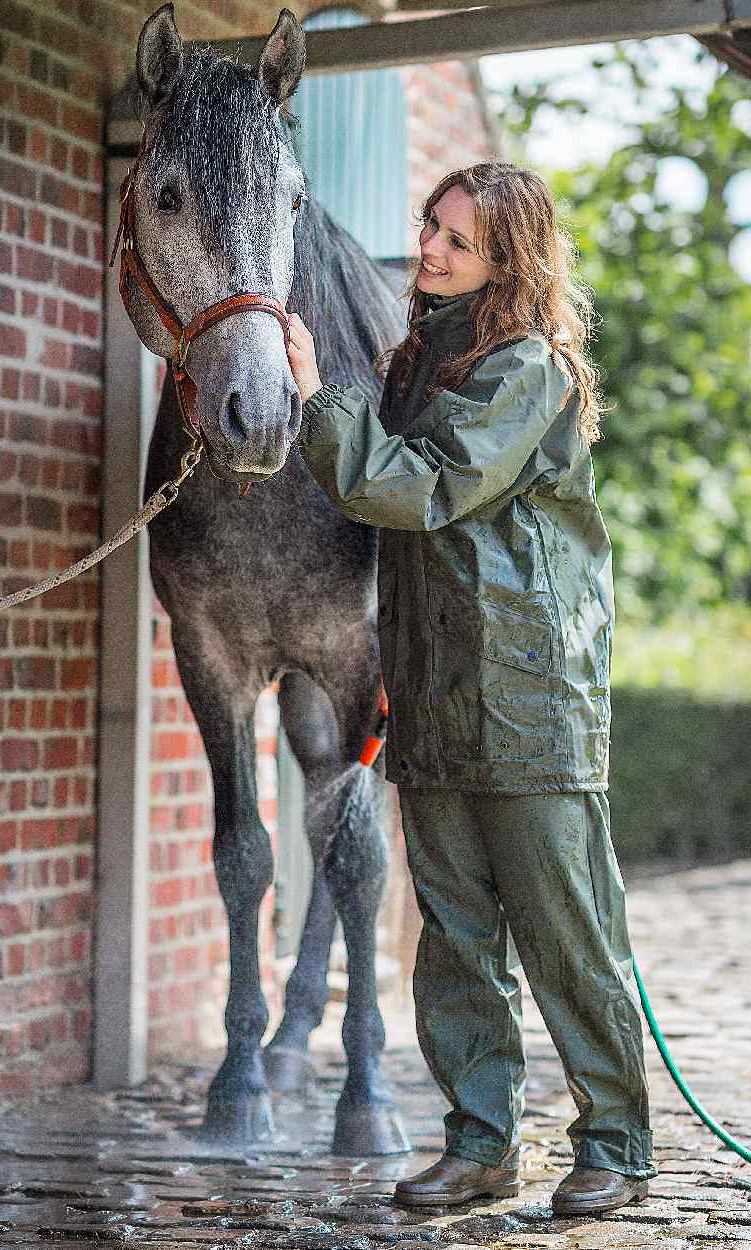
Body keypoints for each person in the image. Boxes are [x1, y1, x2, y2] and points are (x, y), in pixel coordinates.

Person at [285, 163, 657, 1217]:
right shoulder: (416, 363)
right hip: (437, 688)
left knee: (565, 927)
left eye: (460, 239)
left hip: (529, 690)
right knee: (451, 936)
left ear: (509, 261)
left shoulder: (527, 368)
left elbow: (416, 488)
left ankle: (617, 1144)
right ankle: (481, 1142)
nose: (434, 249)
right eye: (431, 227)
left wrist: (320, 398)